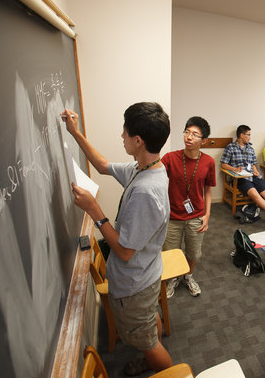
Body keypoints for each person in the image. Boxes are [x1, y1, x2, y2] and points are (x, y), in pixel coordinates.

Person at [61, 103, 173, 374]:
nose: (121, 136)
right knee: (148, 323)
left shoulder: (147, 191)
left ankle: (164, 368)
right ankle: (150, 355)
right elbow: (101, 165)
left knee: (146, 340)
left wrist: (94, 210)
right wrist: (75, 133)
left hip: (135, 283)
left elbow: (124, 252)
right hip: (146, 274)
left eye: (125, 132)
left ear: (138, 140)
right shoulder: (146, 168)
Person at [161, 117, 216, 299]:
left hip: (196, 216)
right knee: (171, 252)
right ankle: (172, 279)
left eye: (194, 134)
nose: (189, 137)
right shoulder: (170, 158)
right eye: (187, 132)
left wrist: (207, 214)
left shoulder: (208, 162)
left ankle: (188, 277)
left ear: (204, 140)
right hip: (172, 216)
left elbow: (208, 190)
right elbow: (155, 176)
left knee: (193, 252)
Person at [221, 125, 265, 220]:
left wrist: (255, 171)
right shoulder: (230, 147)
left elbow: (253, 164)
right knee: (255, 194)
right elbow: (223, 164)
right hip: (240, 178)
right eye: (248, 134)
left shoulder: (250, 148)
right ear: (241, 135)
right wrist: (235, 169)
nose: (250, 137)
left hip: (253, 176)